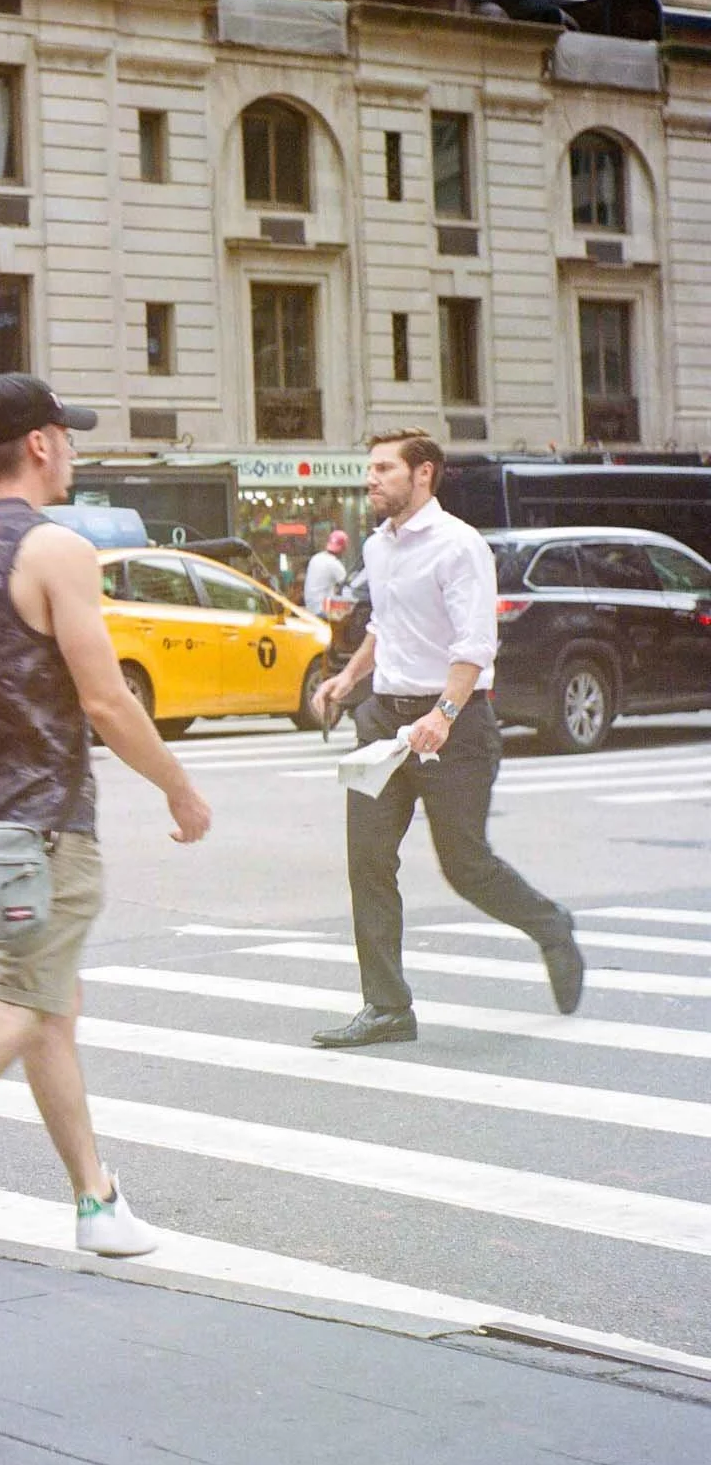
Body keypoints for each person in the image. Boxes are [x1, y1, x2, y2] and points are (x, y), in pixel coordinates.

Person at [0, 374, 212, 1259]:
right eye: (69, 434)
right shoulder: (57, 549)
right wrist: (179, 784)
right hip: (53, 830)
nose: (75, 450)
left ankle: (98, 1200)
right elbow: (105, 698)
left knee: (49, 1003)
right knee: (23, 1005)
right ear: (42, 444)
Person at [308, 431, 585, 1048]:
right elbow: (386, 624)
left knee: (466, 866)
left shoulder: (459, 546)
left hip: (454, 729)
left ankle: (551, 926)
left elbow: (474, 646)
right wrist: (347, 679)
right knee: (368, 862)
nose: (371, 479)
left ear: (422, 473)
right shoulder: (378, 547)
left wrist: (444, 713)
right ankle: (387, 1007)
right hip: (384, 723)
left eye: (384, 468)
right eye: (370, 468)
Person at [303, 530, 350, 616]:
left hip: (310, 606)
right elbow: (347, 585)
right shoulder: (335, 564)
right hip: (323, 609)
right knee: (351, 611)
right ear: (343, 548)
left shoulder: (316, 558)